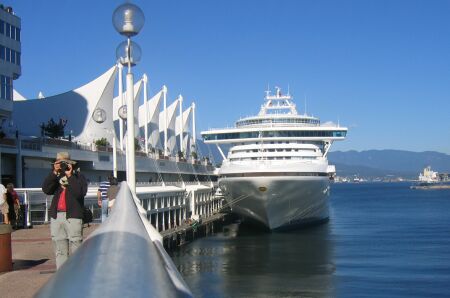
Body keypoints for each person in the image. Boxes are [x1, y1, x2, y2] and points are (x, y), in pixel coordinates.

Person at [42, 152, 87, 269]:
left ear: (70, 163)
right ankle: (61, 277)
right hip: (57, 216)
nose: (62, 166)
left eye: (64, 163)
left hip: (73, 216)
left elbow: (79, 193)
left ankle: (77, 275)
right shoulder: (56, 177)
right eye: (59, 163)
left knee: (76, 247)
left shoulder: (78, 176)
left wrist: (70, 176)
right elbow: (46, 189)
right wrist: (54, 172)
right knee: (59, 249)